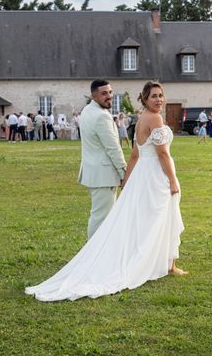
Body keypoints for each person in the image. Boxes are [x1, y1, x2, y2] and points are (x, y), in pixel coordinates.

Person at [25, 81, 186, 302]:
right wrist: (173, 180)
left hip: (142, 176)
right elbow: (162, 155)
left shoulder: (141, 120)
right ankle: (161, 264)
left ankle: (167, 263)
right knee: (159, 218)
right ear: (145, 99)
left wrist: (127, 181)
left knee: (151, 219)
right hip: (156, 176)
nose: (158, 99)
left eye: (161, 95)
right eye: (153, 96)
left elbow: (134, 156)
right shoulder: (155, 119)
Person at [76, 80, 126, 238]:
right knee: (101, 219)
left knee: (99, 217)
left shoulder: (87, 110)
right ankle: (94, 258)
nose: (109, 96)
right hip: (103, 175)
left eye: (110, 92)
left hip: (94, 172)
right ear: (94, 95)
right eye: (104, 93)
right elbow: (113, 149)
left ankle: (98, 256)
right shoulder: (101, 116)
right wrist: (124, 174)